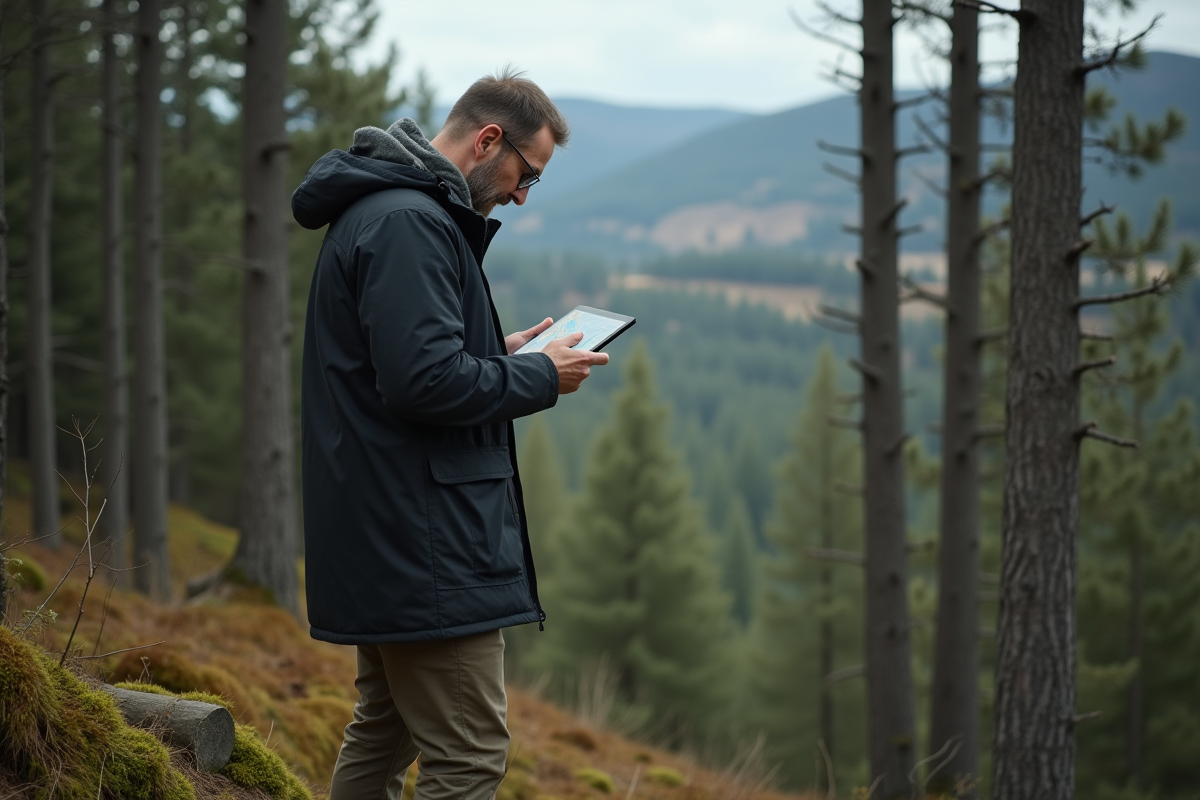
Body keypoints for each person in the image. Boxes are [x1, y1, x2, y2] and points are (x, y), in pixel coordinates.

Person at [291, 69, 609, 800]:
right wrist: (539, 378)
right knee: (468, 759)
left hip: (392, 528)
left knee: (385, 730)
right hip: (423, 541)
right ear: (488, 140)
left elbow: (405, 370)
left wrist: (502, 360)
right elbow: (424, 384)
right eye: (525, 173)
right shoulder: (409, 222)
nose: (523, 194)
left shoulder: (392, 211)